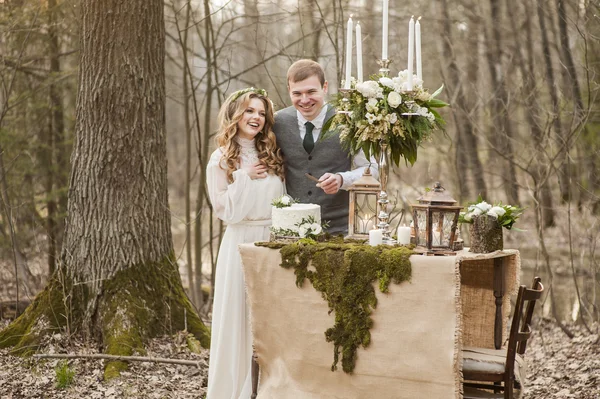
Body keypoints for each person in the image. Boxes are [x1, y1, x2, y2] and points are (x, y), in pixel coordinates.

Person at [206, 88, 285, 399]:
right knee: (239, 319)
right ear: (235, 114)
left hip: (271, 242)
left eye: (261, 113)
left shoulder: (271, 153)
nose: (256, 117)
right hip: (240, 241)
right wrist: (242, 176)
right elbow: (224, 209)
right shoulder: (221, 159)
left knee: (270, 321)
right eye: (249, 111)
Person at [273, 59, 378, 234]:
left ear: (325, 87)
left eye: (311, 91)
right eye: (297, 93)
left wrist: (342, 179)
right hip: (289, 229)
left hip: (339, 229)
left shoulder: (349, 120)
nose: (304, 100)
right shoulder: (277, 122)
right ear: (289, 91)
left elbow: (372, 168)